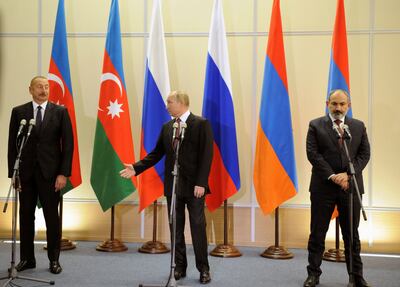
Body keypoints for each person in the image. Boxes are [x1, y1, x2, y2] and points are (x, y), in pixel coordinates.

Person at [120, 91, 213, 284]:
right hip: (173, 186)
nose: (167, 106)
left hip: (195, 187)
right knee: (175, 228)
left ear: (180, 103)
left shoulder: (201, 124)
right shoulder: (167, 127)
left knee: (197, 228)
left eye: (169, 102)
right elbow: (156, 154)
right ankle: (179, 267)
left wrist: (201, 183)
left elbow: (206, 155)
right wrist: (136, 168)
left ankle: (203, 269)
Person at [304, 89, 371, 287]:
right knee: (317, 233)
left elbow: (364, 155)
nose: (338, 108)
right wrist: (333, 176)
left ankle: (356, 276)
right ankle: (313, 274)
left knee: (352, 234)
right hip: (323, 187)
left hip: (350, 188)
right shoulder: (315, 125)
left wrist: (348, 175)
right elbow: (313, 154)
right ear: (327, 103)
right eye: (334, 104)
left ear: (348, 105)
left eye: (342, 104)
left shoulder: (358, 127)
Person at [7, 76, 74, 274]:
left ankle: (54, 259)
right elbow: (12, 145)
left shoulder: (60, 112)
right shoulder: (19, 112)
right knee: (26, 217)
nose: (44, 90)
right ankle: (27, 259)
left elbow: (68, 146)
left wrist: (63, 173)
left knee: (52, 218)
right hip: (26, 174)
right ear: (30, 90)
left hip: (51, 175)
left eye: (46, 87)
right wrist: (14, 173)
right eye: (39, 87)